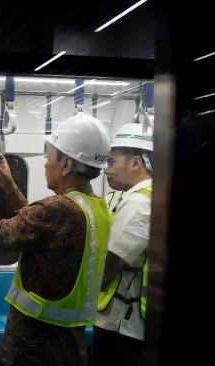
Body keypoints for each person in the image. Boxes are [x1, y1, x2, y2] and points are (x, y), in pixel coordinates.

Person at [0, 112, 112, 366]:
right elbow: (39, 230)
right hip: (68, 344)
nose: (46, 163)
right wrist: (10, 189)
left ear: (66, 164)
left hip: (34, 346)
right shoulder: (96, 207)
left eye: (50, 155)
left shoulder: (58, 209)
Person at [94, 123, 153, 366]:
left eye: (111, 161)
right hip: (121, 323)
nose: (106, 170)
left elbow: (110, 263)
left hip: (122, 324)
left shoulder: (139, 204)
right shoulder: (134, 196)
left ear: (135, 163)